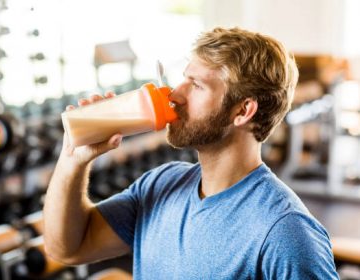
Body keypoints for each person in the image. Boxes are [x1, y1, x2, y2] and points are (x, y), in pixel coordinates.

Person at [44, 27, 339, 279]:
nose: (174, 94)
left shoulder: (285, 231)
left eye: (196, 85)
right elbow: (68, 248)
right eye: (184, 78)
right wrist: (74, 158)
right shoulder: (161, 184)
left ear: (243, 111)